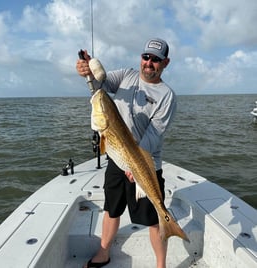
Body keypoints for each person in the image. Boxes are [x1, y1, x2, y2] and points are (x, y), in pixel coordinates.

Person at [76, 38, 176, 268]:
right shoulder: (125, 76)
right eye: (146, 57)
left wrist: (135, 165)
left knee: (153, 219)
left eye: (156, 60)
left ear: (165, 63)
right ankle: (103, 253)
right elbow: (100, 87)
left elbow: (153, 136)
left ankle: (161, 264)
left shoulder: (167, 96)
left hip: (145, 164)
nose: (149, 63)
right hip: (117, 159)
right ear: (141, 58)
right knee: (111, 209)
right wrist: (88, 71)